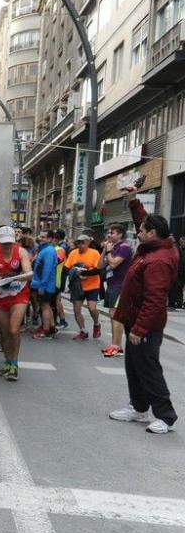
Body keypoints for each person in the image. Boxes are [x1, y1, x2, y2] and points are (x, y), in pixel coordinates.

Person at [109, 185, 180, 434]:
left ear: (152, 234)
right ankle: (139, 408)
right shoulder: (154, 245)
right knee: (134, 366)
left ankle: (166, 416)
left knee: (148, 368)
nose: (138, 232)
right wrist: (133, 200)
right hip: (135, 318)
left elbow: (155, 299)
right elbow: (143, 220)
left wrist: (140, 328)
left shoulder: (159, 260)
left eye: (141, 230)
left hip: (145, 323)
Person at [0, 226, 33, 381]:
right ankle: (7, 361)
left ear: (14, 241)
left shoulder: (21, 252)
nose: (7, 246)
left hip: (19, 295)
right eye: (4, 243)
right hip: (1, 296)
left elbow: (29, 274)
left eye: (10, 243)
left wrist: (16, 277)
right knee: (4, 333)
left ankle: (14, 363)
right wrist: (2, 279)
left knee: (13, 329)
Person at [101, 223, 133, 357]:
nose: (109, 235)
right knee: (112, 315)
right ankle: (115, 345)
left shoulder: (124, 247)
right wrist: (104, 250)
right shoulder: (112, 247)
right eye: (108, 232)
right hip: (111, 284)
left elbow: (113, 264)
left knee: (116, 316)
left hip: (120, 285)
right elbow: (99, 265)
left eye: (112, 233)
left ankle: (116, 346)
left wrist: (108, 252)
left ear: (120, 234)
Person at [65, 234, 103, 341]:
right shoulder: (73, 253)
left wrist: (84, 274)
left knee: (92, 308)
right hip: (77, 286)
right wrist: (74, 274)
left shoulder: (94, 253)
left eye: (82, 243)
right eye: (78, 243)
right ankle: (83, 331)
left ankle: (96, 323)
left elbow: (98, 270)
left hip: (92, 286)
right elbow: (66, 268)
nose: (80, 245)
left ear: (88, 243)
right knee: (77, 310)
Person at [31, 231, 60, 340]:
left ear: (50, 239)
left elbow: (46, 270)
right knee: (46, 306)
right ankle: (50, 327)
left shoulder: (48, 251)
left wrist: (42, 286)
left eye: (43, 237)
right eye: (40, 236)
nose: (40, 238)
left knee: (45, 307)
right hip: (44, 284)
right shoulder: (46, 250)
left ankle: (46, 331)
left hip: (45, 285)